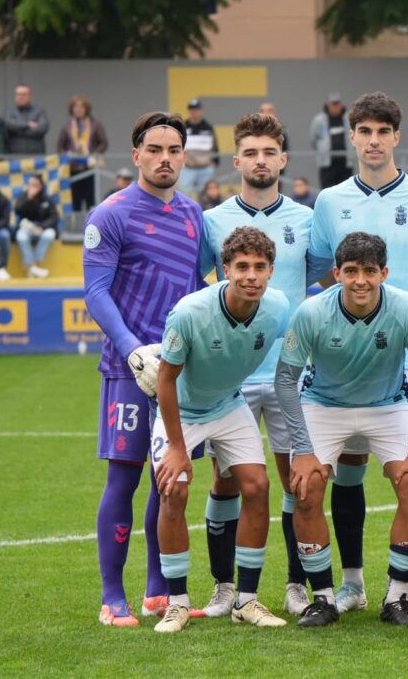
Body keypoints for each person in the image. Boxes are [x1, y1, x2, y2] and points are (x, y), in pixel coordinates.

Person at [308, 91, 408, 620]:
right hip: (344, 360)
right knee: (349, 471)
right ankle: (351, 581)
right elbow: (311, 271)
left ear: (398, 137)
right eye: (365, 132)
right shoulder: (330, 201)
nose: (374, 141)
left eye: (384, 132)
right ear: (352, 137)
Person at [275, 232, 408, 628]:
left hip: (387, 405)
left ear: (384, 272)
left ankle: (397, 598)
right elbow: (285, 379)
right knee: (305, 487)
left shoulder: (407, 308)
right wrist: (303, 448)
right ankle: (323, 599)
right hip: (324, 405)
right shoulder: (312, 312)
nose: (361, 280)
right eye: (351, 271)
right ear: (336, 274)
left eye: (370, 271)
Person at [196, 112, 321, 621]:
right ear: (236, 160)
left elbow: (314, 279)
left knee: (297, 481)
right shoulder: (213, 220)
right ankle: (224, 586)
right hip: (232, 375)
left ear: (283, 159)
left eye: (269, 152)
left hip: (291, 369)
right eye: (250, 153)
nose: (260, 160)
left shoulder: (308, 220)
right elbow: (202, 284)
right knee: (227, 481)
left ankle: (295, 583)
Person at [83, 111, 204, 627]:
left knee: (169, 481)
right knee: (125, 478)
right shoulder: (110, 214)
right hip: (128, 369)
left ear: (184, 155)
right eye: (154, 149)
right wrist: (135, 351)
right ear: (136, 155)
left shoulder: (194, 214)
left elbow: (198, 292)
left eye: (173, 150)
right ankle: (113, 597)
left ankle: (158, 592)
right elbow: (95, 292)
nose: (164, 158)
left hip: (178, 373)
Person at [152, 226, 290, 633]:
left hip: (229, 403)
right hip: (181, 408)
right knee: (173, 489)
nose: (251, 275)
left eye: (260, 267)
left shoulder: (279, 307)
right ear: (224, 269)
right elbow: (165, 380)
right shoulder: (190, 312)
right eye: (242, 266)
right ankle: (177, 604)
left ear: (270, 271)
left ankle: (246, 600)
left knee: (258, 486)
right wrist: (177, 447)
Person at [58, 94, 109, 211]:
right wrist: (67, 155)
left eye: (81, 107)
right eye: (75, 107)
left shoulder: (95, 124)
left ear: (86, 109)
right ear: (71, 109)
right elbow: (60, 146)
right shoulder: (67, 126)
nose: (78, 110)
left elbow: (104, 143)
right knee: (75, 200)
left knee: (90, 200)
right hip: (73, 168)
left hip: (90, 167)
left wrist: (93, 154)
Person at [14, 173, 59, 278]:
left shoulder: (47, 199)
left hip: (42, 228)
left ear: (41, 186)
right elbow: (18, 211)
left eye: (35, 185)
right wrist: (29, 199)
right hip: (27, 228)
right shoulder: (23, 197)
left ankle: (34, 266)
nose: (32, 187)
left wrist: (43, 226)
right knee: (21, 236)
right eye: (30, 184)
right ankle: (33, 266)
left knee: (50, 235)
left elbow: (54, 217)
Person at [311, 92, 353, 189]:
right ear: (328, 105)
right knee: (327, 190)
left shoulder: (348, 118)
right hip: (327, 164)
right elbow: (313, 139)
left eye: (337, 104)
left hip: (345, 163)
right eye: (333, 104)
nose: (335, 107)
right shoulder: (319, 120)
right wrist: (322, 151)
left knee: (346, 190)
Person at [181, 99, 220, 199]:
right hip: (187, 168)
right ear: (189, 111)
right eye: (192, 109)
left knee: (205, 197)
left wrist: (216, 161)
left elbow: (214, 145)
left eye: (197, 109)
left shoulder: (208, 127)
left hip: (205, 168)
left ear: (201, 110)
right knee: (184, 195)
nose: (195, 112)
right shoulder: (183, 127)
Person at [5, 84, 49, 155]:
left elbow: (42, 128)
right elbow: (8, 126)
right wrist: (28, 125)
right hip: (15, 157)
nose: (21, 97)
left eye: (24, 94)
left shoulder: (39, 112)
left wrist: (17, 131)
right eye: (18, 94)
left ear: (30, 96)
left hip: (36, 158)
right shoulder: (10, 112)